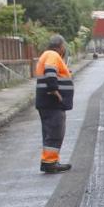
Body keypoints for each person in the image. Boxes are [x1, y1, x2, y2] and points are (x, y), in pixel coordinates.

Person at [35, 34, 73, 173]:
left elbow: (51, 72)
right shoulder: (52, 55)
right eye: (64, 46)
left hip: (47, 103)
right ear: (61, 46)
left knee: (50, 132)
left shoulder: (47, 54)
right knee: (55, 132)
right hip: (52, 103)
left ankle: (49, 161)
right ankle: (50, 163)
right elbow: (50, 71)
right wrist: (54, 90)